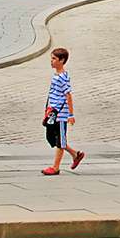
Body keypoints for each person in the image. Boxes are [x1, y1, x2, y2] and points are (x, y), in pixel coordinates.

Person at [42, 45, 81, 174]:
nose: (51, 61)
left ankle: (55, 167)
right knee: (51, 138)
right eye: (51, 58)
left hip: (60, 114)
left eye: (54, 59)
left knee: (60, 140)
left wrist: (70, 114)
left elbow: (68, 95)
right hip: (52, 113)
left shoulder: (63, 77)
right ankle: (75, 154)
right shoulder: (56, 75)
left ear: (62, 60)